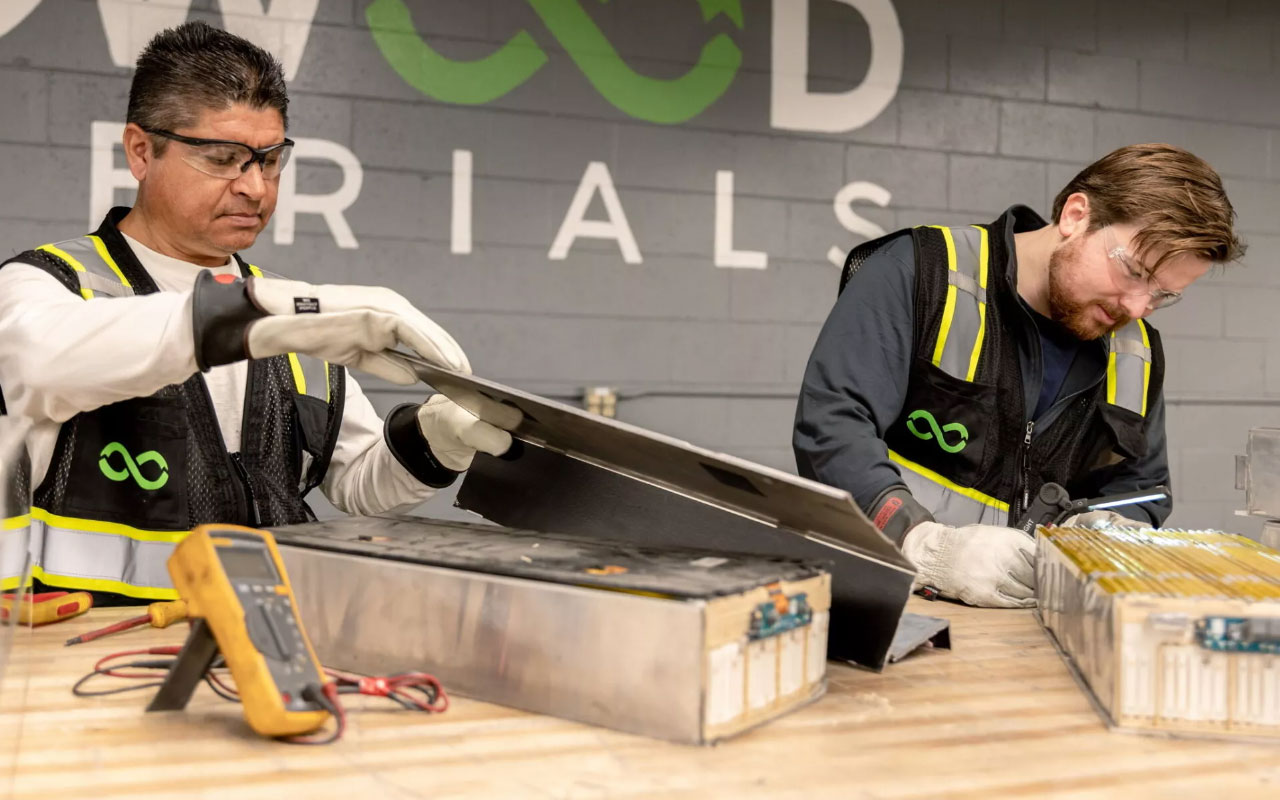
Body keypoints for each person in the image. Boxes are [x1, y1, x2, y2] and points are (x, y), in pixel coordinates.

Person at [0, 22, 515, 603]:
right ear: (141, 151)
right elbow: (41, 365)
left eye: (269, 161)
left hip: (266, 637)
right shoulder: (46, 284)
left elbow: (357, 483)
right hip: (87, 642)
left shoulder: (289, 313)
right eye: (224, 159)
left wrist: (435, 440)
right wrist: (267, 313)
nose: (256, 188)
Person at [794, 144, 1244, 609]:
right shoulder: (921, 271)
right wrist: (921, 545)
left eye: (1162, 295)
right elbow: (833, 425)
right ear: (1075, 215)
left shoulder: (1137, 352)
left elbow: (1141, 490)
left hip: (1026, 622)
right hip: (890, 596)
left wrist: (1101, 536)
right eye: (1133, 271)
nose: (1136, 307)